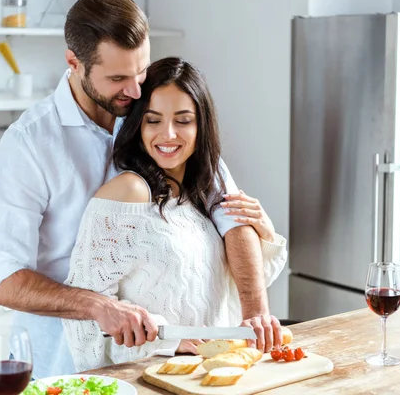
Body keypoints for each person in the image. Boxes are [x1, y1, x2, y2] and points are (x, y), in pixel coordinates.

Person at [0, 0, 281, 379]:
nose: (135, 90)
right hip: (67, 360)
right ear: (74, 63)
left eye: (140, 72)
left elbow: (229, 212)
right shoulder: (30, 143)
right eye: (118, 79)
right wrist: (96, 305)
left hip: (170, 357)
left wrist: (255, 311)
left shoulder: (152, 110)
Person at [61, 57, 288, 371]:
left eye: (183, 120)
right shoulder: (128, 193)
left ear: (201, 125)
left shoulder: (201, 193)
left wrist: (265, 232)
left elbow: (224, 289)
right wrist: (167, 343)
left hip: (215, 376)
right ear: (138, 124)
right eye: (153, 120)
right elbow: (85, 317)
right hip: (156, 380)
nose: (167, 134)